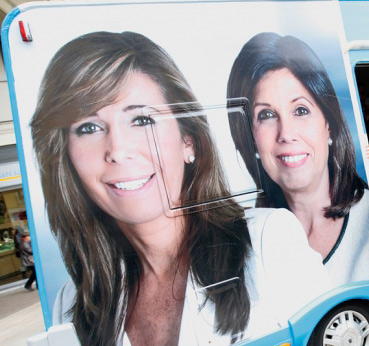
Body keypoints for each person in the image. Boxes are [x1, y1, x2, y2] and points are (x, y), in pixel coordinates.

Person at [30, 31, 329, 346]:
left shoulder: (268, 243)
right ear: (66, 157)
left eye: (142, 120)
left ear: (189, 141)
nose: (117, 150)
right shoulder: (73, 302)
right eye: (88, 128)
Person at [227, 32, 369, 286]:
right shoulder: (252, 242)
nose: (286, 134)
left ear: (328, 125)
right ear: (250, 138)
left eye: (301, 110)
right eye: (266, 115)